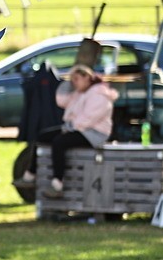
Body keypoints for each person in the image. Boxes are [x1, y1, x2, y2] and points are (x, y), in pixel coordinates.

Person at [24, 64, 117, 199]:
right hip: (78, 128)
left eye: (77, 79)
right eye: (72, 80)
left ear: (87, 78)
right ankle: (30, 175)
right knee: (42, 136)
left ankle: (57, 184)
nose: (74, 83)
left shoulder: (99, 94)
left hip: (94, 133)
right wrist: (70, 83)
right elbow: (61, 101)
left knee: (59, 142)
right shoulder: (80, 92)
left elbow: (89, 118)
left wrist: (69, 129)